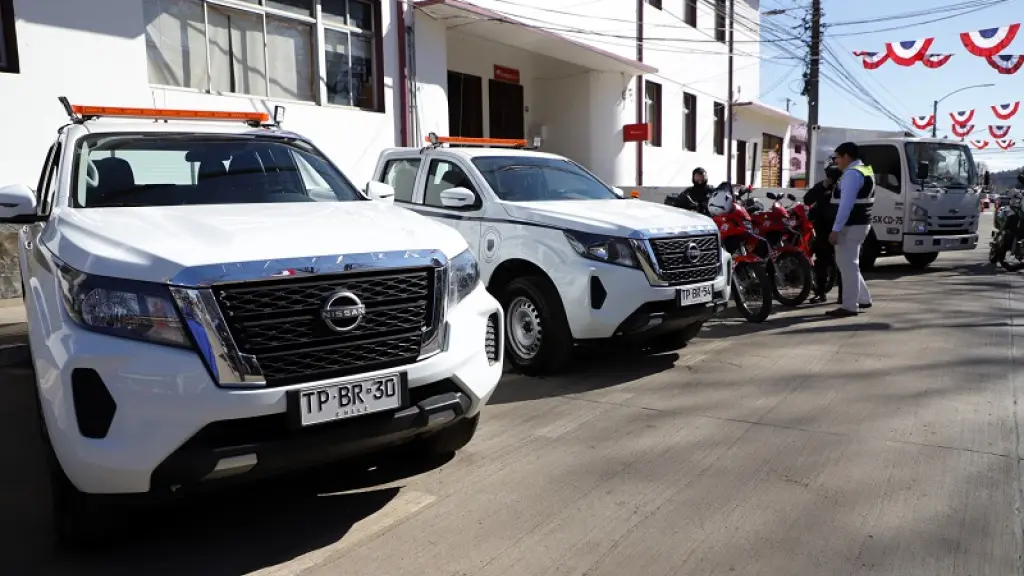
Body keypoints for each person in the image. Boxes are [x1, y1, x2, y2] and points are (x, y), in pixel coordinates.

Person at [827, 142, 874, 317]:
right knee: (850, 263)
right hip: (860, 224)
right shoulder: (865, 170)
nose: (836, 161)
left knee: (848, 265)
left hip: (851, 225)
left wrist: (835, 229)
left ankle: (849, 305)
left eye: (837, 157)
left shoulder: (852, 174)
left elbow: (846, 205)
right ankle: (863, 298)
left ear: (846, 157)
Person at [803, 160, 842, 303]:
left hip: (836, 229)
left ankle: (841, 296)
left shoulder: (843, 188)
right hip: (823, 230)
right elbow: (807, 199)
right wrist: (822, 187)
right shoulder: (822, 186)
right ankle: (822, 293)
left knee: (840, 264)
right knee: (822, 263)